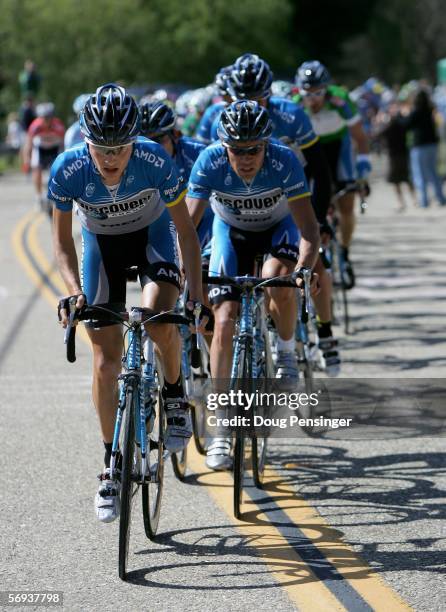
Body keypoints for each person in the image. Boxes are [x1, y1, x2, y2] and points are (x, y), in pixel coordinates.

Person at [49, 84, 208, 522]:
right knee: (104, 360)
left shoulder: (156, 160)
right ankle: (110, 463)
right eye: (102, 148)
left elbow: (187, 233)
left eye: (120, 147)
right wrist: (71, 290)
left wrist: (194, 295)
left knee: (159, 321)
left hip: (152, 240)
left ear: (134, 142)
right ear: (87, 142)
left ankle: (175, 396)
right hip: (102, 249)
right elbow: (63, 243)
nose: (111, 157)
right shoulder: (68, 169)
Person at [186, 100, 320, 469]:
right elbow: (188, 229)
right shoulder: (209, 161)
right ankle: (222, 428)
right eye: (237, 150)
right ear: (223, 147)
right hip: (230, 232)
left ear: (267, 144)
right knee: (224, 319)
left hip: (278, 230)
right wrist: (187, 272)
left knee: (277, 279)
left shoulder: (284, 160)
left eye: (254, 149)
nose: (246, 158)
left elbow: (309, 228)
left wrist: (304, 270)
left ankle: (287, 351)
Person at [215, 53, 339, 377]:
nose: (250, 105)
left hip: (292, 193)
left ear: (269, 94)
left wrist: (321, 217)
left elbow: (321, 169)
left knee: (316, 263)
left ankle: (324, 334)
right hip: (241, 206)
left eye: (257, 98)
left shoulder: (292, 115)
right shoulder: (220, 120)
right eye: (242, 98)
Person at [294, 60, 372, 289]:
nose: (313, 99)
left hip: (338, 148)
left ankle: (345, 253)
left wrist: (363, 171)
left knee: (347, 203)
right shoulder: (295, 104)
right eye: (307, 93)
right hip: (310, 151)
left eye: (318, 93)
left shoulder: (340, 100)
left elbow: (360, 138)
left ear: (327, 89)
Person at [139, 100, 213, 248]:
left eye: (159, 139)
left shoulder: (198, 153)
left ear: (175, 134)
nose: (153, 147)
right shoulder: (133, 160)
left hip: (203, 221)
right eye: (145, 140)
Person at [399, 88, 446, 208]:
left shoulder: (416, 112)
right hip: (432, 145)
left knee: (420, 174)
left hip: (420, 146)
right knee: (433, 173)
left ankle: (424, 201)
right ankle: (440, 198)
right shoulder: (430, 110)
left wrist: (402, 114)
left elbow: (405, 125)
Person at [375, 100, 416, 211]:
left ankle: (407, 202)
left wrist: (379, 122)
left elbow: (378, 135)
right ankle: (412, 201)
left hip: (396, 155)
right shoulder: (400, 122)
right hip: (400, 154)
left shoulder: (393, 124)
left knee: (400, 180)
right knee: (403, 179)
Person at [23, 102, 65, 208]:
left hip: (54, 149)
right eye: (44, 118)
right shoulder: (35, 126)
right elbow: (28, 144)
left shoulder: (58, 125)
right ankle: (38, 196)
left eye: (49, 117)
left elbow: (64, 143)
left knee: (57, 170)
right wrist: (27, 159)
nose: (47, 120)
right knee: (36, 168)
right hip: (40, 149)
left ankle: (56, 192)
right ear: (40, 117)